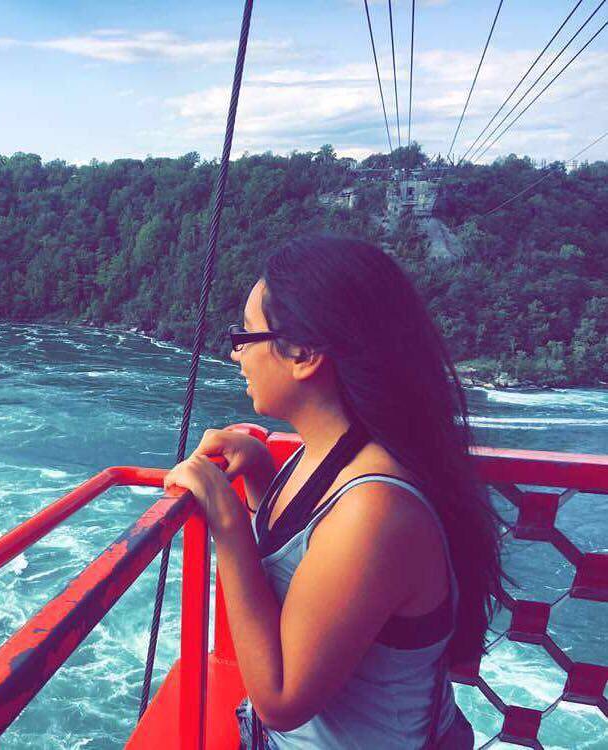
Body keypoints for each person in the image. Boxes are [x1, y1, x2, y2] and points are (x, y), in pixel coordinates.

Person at [163, 235, 502, 748]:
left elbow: (282, 700)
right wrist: (261, 479)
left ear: (303, 353)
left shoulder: (375, 511)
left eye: (245, 335)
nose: (235, 353)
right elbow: (311, 574)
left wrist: (227, 523)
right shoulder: (335, 451)